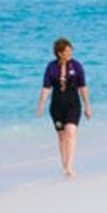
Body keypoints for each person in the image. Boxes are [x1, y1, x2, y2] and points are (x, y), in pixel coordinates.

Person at [36, 38, 92, 177]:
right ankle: (64, 165)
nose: (70, 53)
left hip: (73, 104)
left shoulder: (77, 66)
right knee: (61, 136)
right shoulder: (51, 67)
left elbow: (83, 87)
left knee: (71, 132)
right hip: (56, 106)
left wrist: (87, 106)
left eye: (71, 50)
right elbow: (46, 88)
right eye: (67, 51)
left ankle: (69, 166)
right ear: (59, 53)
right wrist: (41, 104)